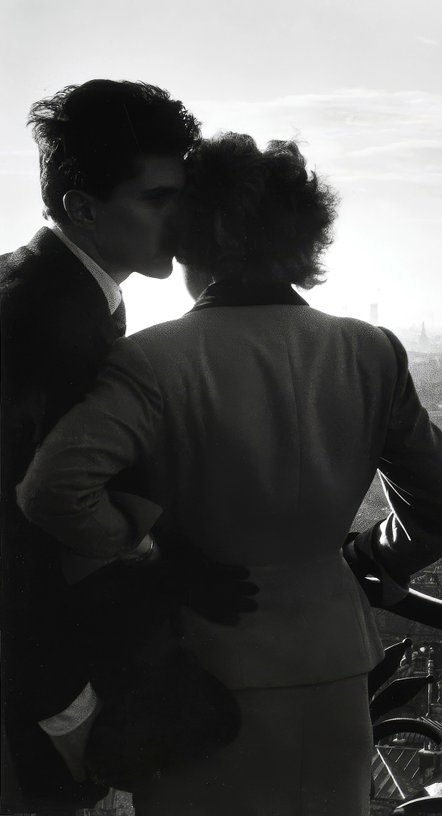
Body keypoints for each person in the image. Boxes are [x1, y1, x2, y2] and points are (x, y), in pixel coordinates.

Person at [18, 132, 442, 815]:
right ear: (304, 237)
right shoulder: (369, 351)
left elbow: (52, 489)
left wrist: (143, 545)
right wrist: (355, 558)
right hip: (335, 665)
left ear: (191, 238)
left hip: (199, 675)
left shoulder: (155, 359)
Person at [0, 79, 200, 814]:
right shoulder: (50, 324)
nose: (178, 222)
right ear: (82, 207)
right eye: (155, 200)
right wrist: (72, 713)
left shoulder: (39, 291)